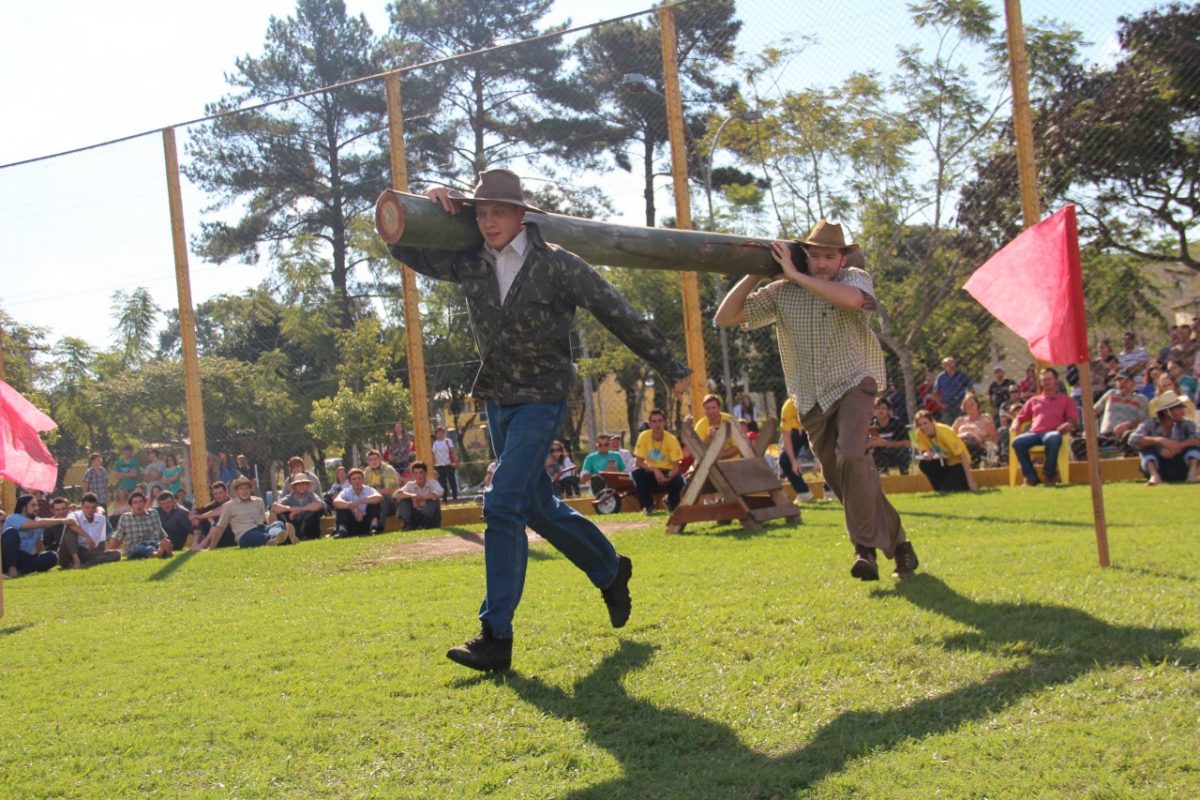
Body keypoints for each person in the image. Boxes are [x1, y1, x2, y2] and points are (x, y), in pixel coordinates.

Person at [385, 169, 689, 672]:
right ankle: (611, 569)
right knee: (538, 508)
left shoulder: (558, 265)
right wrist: (423, 209)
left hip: (542, 400)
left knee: (502, 503)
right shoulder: (470, 260)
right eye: (480, 213)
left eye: (497, 212)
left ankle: (494, 636)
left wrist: (672, 366)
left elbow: (620, 312)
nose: (488, 222)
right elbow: (406, 248)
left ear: (521, 214)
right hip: (497, 400)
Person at [716, 220, 918, 581]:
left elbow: (854, 302)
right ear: (804, 255)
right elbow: (725, 317)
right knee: (843, 478)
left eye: (830, 256)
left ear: (842, 259)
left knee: (853, 455)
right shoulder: (782, 292)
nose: (823, 263)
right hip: (810, 398)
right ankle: (901, 546)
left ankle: (864, 551)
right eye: (815, 256)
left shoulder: (853, 278)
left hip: (855, 383)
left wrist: (796, 274)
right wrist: (754, 274)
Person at [1011, 367, 1078, 486]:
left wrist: (1068, 424)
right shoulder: (1034, 400)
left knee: (1053, 437)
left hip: (1053, 432)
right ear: (1040, 382)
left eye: (1049, 379)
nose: (1046, 382)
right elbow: (1020, 417)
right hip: (1034, 434)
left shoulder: (1066, 400)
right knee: (1017, 442)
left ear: (1056, 380)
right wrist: (1016, 423)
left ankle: (1049, 475)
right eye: (1044, 380)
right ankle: (1031, 477)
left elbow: (1073, 420)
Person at [195, 476, 293, 549]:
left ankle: (276, 538)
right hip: (245, 535)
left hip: (261, 529)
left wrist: (269, 526)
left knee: (277, 523)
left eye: (247, 488)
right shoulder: (229, 506)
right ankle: (283, 537)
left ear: (251, 489)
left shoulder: (259, 501)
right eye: (241, 488)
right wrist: (211, 547)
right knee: (257, 535)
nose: (244, 491)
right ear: (236, 491)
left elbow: (263, 522)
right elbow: (220, 527)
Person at [1128, 391, 1200, 485]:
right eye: (1178, 409)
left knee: (1194, 447)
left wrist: (1178, 446)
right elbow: (1132, 440)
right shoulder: (1149, 424)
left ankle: (1192, 475)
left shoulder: (1186, 424)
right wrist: (1160, 441)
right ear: (1166, 412)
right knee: (1145, 448)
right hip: (1158, 465)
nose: (1182, 412)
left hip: (1180, 465)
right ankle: (1154, 476)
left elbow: (1197, 438)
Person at [631, 409, 686, 515]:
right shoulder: (644, 436)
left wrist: (668, 477)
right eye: (654, 421)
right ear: (650, 424)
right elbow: (639, 462)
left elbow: (676, 467)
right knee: (637, 474)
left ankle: (672, 504)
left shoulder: (671, 439)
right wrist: (655, 470)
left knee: (678, 480)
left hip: (667, 472)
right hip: (650, 471)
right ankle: (648, 506)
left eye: (660, 421)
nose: (657, 424)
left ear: (664, 423)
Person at [913, 410, 978, 492]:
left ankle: (960, 484)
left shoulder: (944, 432)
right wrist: (926, 454)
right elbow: (924, 450)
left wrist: (971, 482)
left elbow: (962, 455)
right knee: (924, 464)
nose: (923, 427)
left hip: (959, 463)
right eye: (920, 424)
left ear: (932, 422)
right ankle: (940, 489)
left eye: (925, 423)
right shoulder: (919, 433)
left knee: (948, 489)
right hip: (946, 462)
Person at [1088, 370, 1149, 456]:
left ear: (1133, 383)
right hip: (1105, 436)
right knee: (1079, 442)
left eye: (1125, 381)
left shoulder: (1141, 399)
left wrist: (1129, 425)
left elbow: (1144, 420)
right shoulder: (1111, 394)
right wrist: (1088, 430)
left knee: (1130, 437)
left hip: (1127, 436)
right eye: (1118, 381)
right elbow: (1092, 412)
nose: (1121, 383)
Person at [2, 494, 61, 577]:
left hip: (24, 558)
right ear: (23, 507)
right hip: (7, 557)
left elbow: (39, 545)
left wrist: (45, 561)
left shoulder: (37, 522)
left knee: (52, 555)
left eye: (37, 505)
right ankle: (12, 570)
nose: (36, 508)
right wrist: (63, 520)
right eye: (33, 505)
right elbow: (34, 524)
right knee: (11, 532)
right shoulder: (13, 518)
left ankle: (19, 572)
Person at [58, 493, 121, 569]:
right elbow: (70, 522)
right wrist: (87, 536)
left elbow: (103, 542)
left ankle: (85, 565)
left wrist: (97, 549)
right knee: (70, 529)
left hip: (87, 552)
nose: (90, 510)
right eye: (87, 507)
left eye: (93, 508)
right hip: (69, 552)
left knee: (116, 554)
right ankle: (76, 560)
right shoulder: (74, 515)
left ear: (96, 507)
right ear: (82, 507)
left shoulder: (101, 519)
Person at [109, 490, 173, 559]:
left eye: (141, 502)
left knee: (163, 543)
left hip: (154, 543)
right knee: (141, 548)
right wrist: (110, 552)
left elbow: (160, 532)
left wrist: (165, 542)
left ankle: (165, 551)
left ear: (145, 503)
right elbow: (118, 537)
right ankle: (158, 554)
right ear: (131, 505)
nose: (138, 505)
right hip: (135, 547)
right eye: (135, 502)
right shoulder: (125, 517)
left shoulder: (153, 513)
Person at [778, 397, 816, 504]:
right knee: (785, 459)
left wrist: (819, 459)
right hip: (798, 430)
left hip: (817, 428)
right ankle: (804, 493)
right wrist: (793, 461)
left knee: (831, 453)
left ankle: (831, 490)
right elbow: (786, 436)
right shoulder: (789, 406)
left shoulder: (817, 401)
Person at [270, 474, 326, 541]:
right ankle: (276, 536)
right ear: (294, 486)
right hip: (294, 524)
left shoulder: (312, 495)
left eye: (304, 483)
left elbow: (319, 504)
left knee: (315, 512)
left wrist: (300, 509)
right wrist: (290, 509)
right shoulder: (289, 497)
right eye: (298, 484)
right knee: (281, 512)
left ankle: (301, 536)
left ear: (307, 485)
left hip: (309, 529)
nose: (301, 486)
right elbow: (274, 507)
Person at [331, 468, 383, 538]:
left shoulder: (369, 490)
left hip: (367, 521)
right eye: (354, 479)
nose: (357, 481)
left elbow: (379, 497)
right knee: (341, 507)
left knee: (374, 503)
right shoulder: (346, 491)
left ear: (363, 480)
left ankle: (373, 528)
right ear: (349, 482)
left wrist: (361, 501)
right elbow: (336, 501)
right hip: (352, 522)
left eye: (359, 478)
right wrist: (352, 506)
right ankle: (342, 531)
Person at [868, 396, 912, 475]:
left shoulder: (897, 423)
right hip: (881, 455)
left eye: (883, 408)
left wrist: (885, 443)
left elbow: (908, 443)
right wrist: (870, 443)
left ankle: (904, 475)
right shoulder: (870, 425)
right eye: (877, 408)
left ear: (889, 411)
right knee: (871, 453)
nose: (880, 411)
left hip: (896, 453)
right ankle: (881, 475)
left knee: (903, 452)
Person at [394, 461, 444, 530]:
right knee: (404, 501)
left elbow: (440, 491)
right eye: (416, 473)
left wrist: (423, 498)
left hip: (430, 518)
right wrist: (412, 496)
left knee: (434, 500)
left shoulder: (432, 483)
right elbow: (396, 495)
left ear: (425, 473)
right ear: (413, 475)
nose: (419, 476)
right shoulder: (410, 485)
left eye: (421, 472)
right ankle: (407, 524)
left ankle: (424, 524)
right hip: (415, 516)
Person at [952, 393, 999, 466]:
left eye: (972, 404)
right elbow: (951, 437)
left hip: (980, 448)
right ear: (964, 408)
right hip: (961, 449)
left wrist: (979, 439)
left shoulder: (986, 418)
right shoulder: (960, 420)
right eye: (967, 405)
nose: (970, 407)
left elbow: (994, 439)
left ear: (977, 405)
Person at [693, 393, 740, 461]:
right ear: (703, 409)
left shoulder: (730, 420)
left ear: (719, 408)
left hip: (732, 462)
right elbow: (698, 451)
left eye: (713, 408)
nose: (711, 411)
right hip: (709, 464)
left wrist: (717, 456)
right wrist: (709, 438)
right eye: (707, 408)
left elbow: (739, 447)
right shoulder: (700, 425)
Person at [189, 481, 234, 550]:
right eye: (215, 494)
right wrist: (193, 513)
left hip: (230, 536)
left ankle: (203, 545)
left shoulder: (232, 502)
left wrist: (201, 517)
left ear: (226, 492)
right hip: (216, 537)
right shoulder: (215, 503)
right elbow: (200, 510)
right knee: (197, 516)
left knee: (219, 520)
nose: (218, 496)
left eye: (220, 493)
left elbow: (222, 509)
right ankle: (195, 542)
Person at [933, 357, 973, 424]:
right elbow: (935, 393)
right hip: (947, 406)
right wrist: (941, 404)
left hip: (960, 405)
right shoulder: (940, 377)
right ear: (944, 366)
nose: (951, 365)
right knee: (948, 425)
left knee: (962, 423)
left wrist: (967, 401)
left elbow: (971, 389)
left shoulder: (961, 375)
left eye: (952, 363)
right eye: (947, 364)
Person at [362, 449, 400, 518]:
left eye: (375, 459)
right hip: (373, 499)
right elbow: (363, 488)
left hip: (392, 502)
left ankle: (380, 525)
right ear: (368, 462)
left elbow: (389, 491)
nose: (373, 461)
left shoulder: (388, 469)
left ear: (380, 459)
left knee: (382, 496)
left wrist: (370, 494)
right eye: (371, 460)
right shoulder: (367, 471)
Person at [431, 426, 460, 503]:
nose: (440, 434)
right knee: (442, 483)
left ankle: (455, 498)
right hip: (439, 466)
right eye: (438, 432)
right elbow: (433, 455)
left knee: (452, 482)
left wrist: (455, 462)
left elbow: (453, 452)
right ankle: (444, 499)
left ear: (444, 433)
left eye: (441, 432)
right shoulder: (435, 444)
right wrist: (433, 466)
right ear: (436, 434)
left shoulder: (448, 441)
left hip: (448, 464)